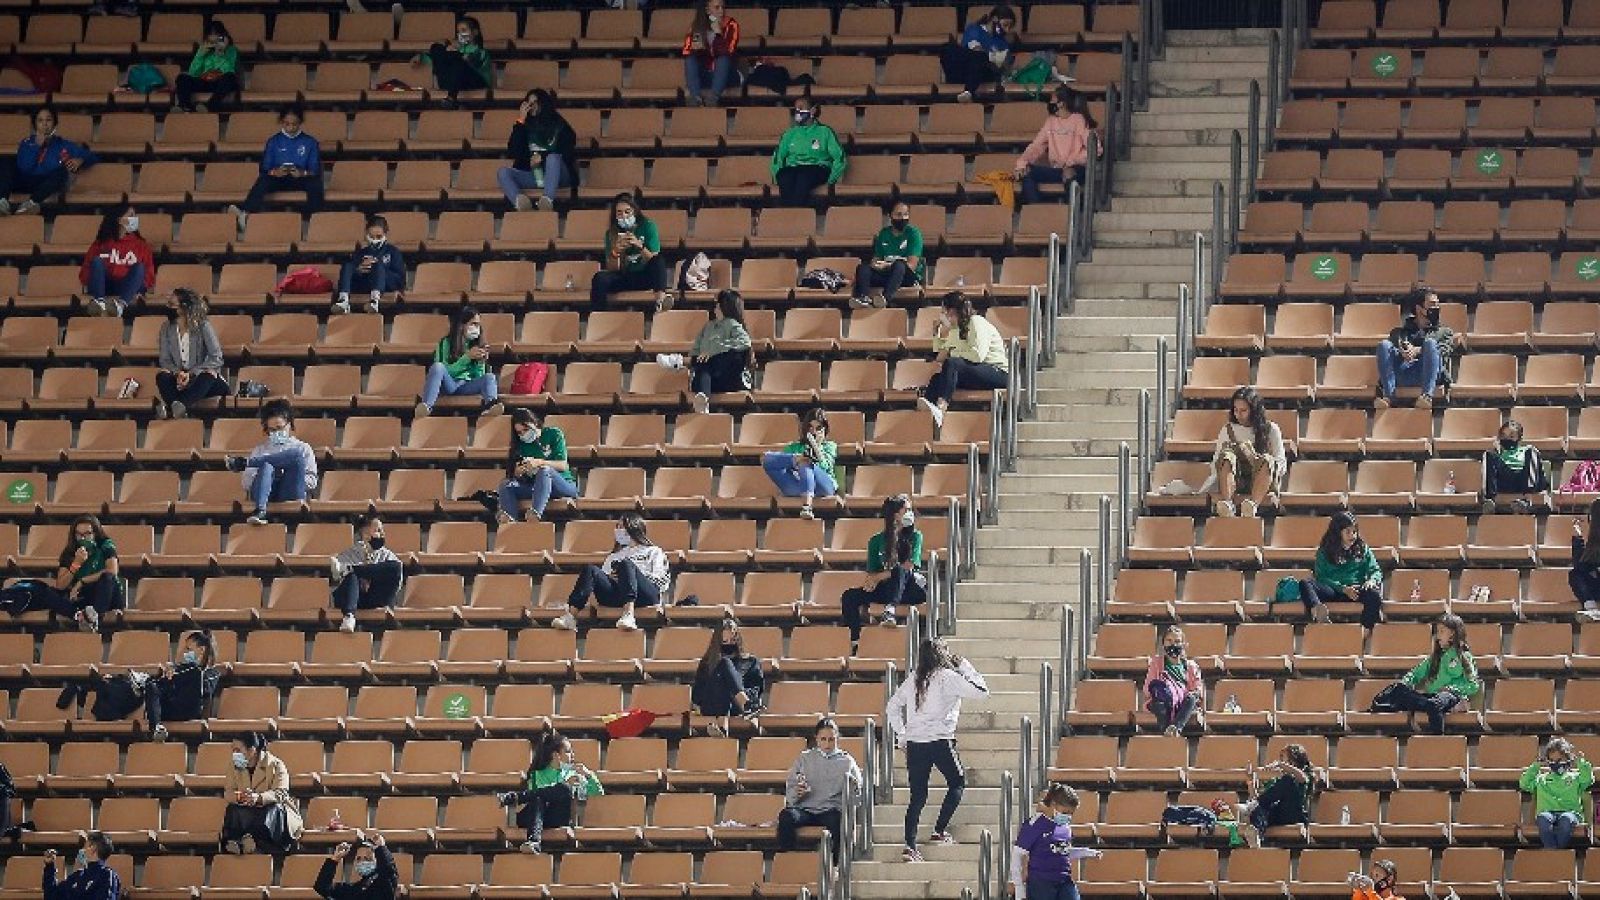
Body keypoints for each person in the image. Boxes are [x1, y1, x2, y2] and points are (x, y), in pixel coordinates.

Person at [887, 638, 988, 862]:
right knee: (957, 782)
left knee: (918, 796)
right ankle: (939, 830)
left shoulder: (914, 678)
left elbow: (892, 706)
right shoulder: (948, 677)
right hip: (941, 740)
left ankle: (910, 846)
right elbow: (981, 691)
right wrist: (965, 666)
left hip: (915, 743)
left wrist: (902, 735)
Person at [552, 513, 669, 633]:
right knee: (591, 569)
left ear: (633, 527)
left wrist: (632, 575)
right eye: (617, 527)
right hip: (618, 595)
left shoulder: (654, 551)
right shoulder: (614, 556)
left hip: (645, 596)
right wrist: (616, 578)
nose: (618, 530)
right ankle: (571, 616)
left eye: (621, 527)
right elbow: (605, 579)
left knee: (626, 564)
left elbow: (661, 581)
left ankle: (629, 614)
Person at [495, 726, 602, 854]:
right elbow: (539, 800)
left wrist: (589, 775)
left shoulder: (574, 774)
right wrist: (564, 785)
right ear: (556, 755)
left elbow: (598, 794)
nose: (573, 755)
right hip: (535, 817)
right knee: (540, 798)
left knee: (564, 789)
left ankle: (516, 797)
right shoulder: (537, 775)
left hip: (557, 818)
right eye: (568, 751)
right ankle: (533, 842)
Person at [1373, 613, 1480, 735]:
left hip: (1450, 696)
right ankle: (1432, 706)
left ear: (1453, 634)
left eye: (1441, 631)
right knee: (1398, 690)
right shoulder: (1434, 658)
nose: (1438, 636)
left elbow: (1473, 685)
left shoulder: (1464, 657)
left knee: (1434, 704)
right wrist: (1405, 682)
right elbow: (1416, 673)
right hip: (1430, 697)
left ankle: (1438, 737)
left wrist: (1452, 688)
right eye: (1437, 631)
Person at [840, 495, 927, 643]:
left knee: (900, 570)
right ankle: (855, 640)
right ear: (895, 515)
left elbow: (909, 566)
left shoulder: (915, 536)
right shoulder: (876, 541)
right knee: (849, 596)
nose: (910, 513)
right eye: (906, 510)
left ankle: (890, 610)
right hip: (886, 589)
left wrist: (879, 577)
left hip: (910, 589)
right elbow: (872, 572)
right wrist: (872, 581)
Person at [920, 292, 1009, 429]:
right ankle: (926, 417)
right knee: (937, 378)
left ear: (952, 311)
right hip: (976, 371)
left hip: (997, 372)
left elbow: (978, 355)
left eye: (944, 311)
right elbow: (940, 357)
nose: (943, 315)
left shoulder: (976, 322)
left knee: (953, 363)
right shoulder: (955, 330)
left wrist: (954, 353)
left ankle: (941, 407)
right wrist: (936, 334)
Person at [225, 399, 319, 526]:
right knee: (267, 466)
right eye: (272, 430)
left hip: (290, 490)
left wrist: (283, 475)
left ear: (289, 424)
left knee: (295, 455)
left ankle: (245, 462)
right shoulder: (260, 449)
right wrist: (270, 475)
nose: (277, 433)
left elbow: (312, 481)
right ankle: (260, 511)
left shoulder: (303, 448)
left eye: (280, 428)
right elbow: (246, 483)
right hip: (264, 492)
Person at [227, 106, 322, 232]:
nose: (291, 127)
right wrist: (275, 172)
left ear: (300, 123)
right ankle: (245, 213)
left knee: (315, 183)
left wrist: (302, 173)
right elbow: (264, 167)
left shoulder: (310, 142)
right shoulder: (273, 141)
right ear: (282, 122)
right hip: (279, 179)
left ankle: (316, 219)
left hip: (300, 179)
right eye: (287, 124)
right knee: (263, 180)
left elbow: (315, 169)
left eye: (295, 124)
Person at [657, 289, 752, 414]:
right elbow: (697, 350)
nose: (716, 306)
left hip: (732, 378)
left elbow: (745, 342)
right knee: (703, 366)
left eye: (719, 303)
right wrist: (698, 357)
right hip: (713, 380)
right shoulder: (708, 326)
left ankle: (679, 361)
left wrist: (715, 350)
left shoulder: (732, 324)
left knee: (729, 356)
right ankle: (702, 400)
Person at [779, 718, 861, 854]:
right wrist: (797, 793)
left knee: (838, 820)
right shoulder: (804, 758)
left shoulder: (847, 761)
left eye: (831, 739)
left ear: (837, 739)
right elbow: (791, 792)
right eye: (823, 739)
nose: (827, 744)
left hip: (831, 810)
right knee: (786, 816)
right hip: (805, 809)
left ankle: (836, 865)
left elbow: (858, 791)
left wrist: (846, 804)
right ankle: (790, 857)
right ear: (816, 739)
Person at [1008, 784, 1101, 900]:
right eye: (1065, 812)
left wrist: (1087, 852)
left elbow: (1062, 851)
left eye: (1071, 813)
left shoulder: (1065, 827)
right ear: (1053, 804)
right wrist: (1019, 888)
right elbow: (1017, 856)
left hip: (1064, 880)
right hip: (1041, 884)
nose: (1068, 816)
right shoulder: (1034, 825)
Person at [0, 106, 97, 216]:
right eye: (40, 120)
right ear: (34, 124)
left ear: (55, 124)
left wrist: (81, 160)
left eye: (49, 120)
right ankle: (2, 203)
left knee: (61, 171)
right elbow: (25, 167)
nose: (44, 124)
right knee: (5, 161)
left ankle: (30, 204)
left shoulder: (63, 144)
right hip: (23, 181)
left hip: (46, 185)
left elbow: (92, 156)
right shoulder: (27, 143)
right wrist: (37, 146)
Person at [1206, 386, 1285, 518]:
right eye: (1235, 410)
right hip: (1238, 480)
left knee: (1267, 459)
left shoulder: (1271, 429)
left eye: (1243, 410)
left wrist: (1255, 459)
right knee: (1226, 456)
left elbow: (1281, 462)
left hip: (1263, 480)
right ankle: (1228, 503)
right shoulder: (1228, 430)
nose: (1238, 415)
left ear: (1254, 411)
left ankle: (1252, 506)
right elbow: (1216, 461)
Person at [1297, 512, 1383, 632]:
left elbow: (1376, 571)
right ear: (1338, 533)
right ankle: (1318, 611)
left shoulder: (1362, 548)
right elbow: (1321, 577)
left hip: (1355, 591)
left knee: (1374, 595)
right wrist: (1342, 588)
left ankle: (1365, 630)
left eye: (1354, 532)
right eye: (1348, 532)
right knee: (1305, 583)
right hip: (1333, 590)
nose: (1352, 536)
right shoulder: (1324, 551)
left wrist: (1371, 580)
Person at [1375, 286, 1458, 410]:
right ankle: (1388, 397)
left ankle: (1427, 396)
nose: (1436, 308)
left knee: (1430, 343)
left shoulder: (1445, 332)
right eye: (1432, 304)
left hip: (1430, 373)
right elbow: (1390, 356)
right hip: (1405, 371)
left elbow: (1444, 351)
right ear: (1419, 309)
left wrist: (1418, 350)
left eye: (1437, 305)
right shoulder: (1398, 333)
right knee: (1384, 345)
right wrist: (1403, 351)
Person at [221, 732, 304, 853]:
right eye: (233, 750)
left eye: (237, 750)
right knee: (232, 809)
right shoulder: (234, 766)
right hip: (247, 807)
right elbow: (228, 792)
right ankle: (236, 843)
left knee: (271, 809)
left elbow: (281, 793)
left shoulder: (276, 764)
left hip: (275, 810)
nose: (234, 754)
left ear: (252, 750)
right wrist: (241, 797)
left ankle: (252, 842)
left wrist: (259, 798)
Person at [38, 515, 124, 633]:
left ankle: (93, 617)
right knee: (48, 592)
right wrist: (76, 563)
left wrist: (82, 581)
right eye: (79, 534)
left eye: (87, 534)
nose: (83, 538)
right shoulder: (69, 552)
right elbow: (61, 585)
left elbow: (112, 571)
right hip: (85, 597)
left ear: (95, 534)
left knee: (107, 578)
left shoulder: (106, 545)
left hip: (107, 595)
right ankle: (80, 615)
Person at [416, 305, 502, 418]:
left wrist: (481, 363)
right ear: (461, 325)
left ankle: (490, 407)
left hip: (467, 386)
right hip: (449, 384)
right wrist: (467, 358)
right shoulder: (445, 343)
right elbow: (445, 371)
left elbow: (478, 376)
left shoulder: (478, 345)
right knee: (437, 366)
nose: (477, 328)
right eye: (473, 324)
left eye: (478, 325)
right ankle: (426, 406)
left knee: (489, 377)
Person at [498, 88, 576, 212]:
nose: (531, 106)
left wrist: (543, 159)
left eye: (535, 102)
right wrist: (521, 120)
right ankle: (521, 203)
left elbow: (568, 151)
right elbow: (513, 150)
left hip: (558, 175)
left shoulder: (558, 124)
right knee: (503, 172)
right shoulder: (524, 126)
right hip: (535, 175)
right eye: (528, 103)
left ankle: (547, 201)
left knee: (552, 158)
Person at [1014, 87, 1094, 205]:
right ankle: (1038, 212)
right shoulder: (1050, 121)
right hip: (1056, 169)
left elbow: (1095, 149)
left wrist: (1072, 162)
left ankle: (1073, 216)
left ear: (1061, 103)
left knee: (1069, 175)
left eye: (1052, 100)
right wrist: (1022, 164)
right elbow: (1036, 146)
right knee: (1028, 172)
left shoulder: (1079, 120)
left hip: (1077, 169)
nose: (1050, 103)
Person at [497, 408, 578, 524]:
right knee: (506, 484)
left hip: (562, 485)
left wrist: (539, 462)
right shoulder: (520, 446)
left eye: (526, 429)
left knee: (545, 470)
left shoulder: (553, 434)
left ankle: (535, 514)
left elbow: (562, 465)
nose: (524, 435)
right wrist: (519, 472)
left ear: (534, 423)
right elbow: (515, 475)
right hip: (536, 487)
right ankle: (510, 520)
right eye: (519, 433)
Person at [156, 288, 227, 418]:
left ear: (184, 308)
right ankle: (177, 407)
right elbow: (164, 359)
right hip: (180, 379)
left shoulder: (203, 326)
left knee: (208, 374)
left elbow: (216, 358)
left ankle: (175, 408)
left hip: (203, 380)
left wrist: (192, 373)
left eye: (171, 305)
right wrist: (178, 373)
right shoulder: (166, 327)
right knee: (162, 375)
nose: (167, 307)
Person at [591, 192, 669, 311]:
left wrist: (639, 246)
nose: (624, 216)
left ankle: (661, 301)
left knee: (659, 260)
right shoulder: (611, 233)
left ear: (635, 212)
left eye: (627, 212)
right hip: (625, 276)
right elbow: (613, 269)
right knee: (599, 278)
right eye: (619, 213)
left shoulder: (648, 226)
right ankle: (599, 314)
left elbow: (654, 260)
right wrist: (616, 251)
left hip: (645, 275)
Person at [328, 515, 404, 634]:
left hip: (377, 598)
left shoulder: (388, 555)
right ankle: (349, 617)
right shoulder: (348, 554)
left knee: (396, 566)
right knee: (351, 576)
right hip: (353, 599)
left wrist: (367, 570)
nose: (382, 534)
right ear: (366, 535)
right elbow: (338, 580)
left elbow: (396, 583)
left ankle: (351, 569)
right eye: (378, 530)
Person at [691, 616, 766, 735]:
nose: (729, 645)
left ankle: (722, 729)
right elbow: (697, 695)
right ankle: (746, 706)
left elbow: (756, 690)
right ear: (717, 643)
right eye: (725, 642)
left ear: (738, 640)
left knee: (725, 665)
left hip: (737, 708)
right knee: (724, 663)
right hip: (712, 706)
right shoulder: (707, 664)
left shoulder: (750, 661)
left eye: (733, 641)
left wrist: (733, 694)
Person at [145, 630, 223, 742]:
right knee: (151, 685)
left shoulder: (212, 673)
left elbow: (205, 689)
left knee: (193, 671)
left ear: (201, 650)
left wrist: (178, 674)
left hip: (190, 710)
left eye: (189, 649)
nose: (185, 653)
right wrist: (168, 676)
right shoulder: (180, 668)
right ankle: (156, 729)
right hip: (172, 707)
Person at [761, 407, 838, 519]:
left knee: (805, 462)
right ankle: (798, 460)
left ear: (825, 429)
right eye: (810, 427)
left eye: (818, 428)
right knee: (768, 459)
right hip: (797, 484)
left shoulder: (830, 446)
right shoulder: (794, 447)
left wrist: (817, 447)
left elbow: (826, 466)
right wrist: (797, 458)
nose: (814, 432)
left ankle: (807, 506)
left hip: (823, 486)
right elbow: (778, 464)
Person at [78, 206, 155, 318]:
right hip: (104, 285)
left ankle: (119, 307)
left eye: (135, 215)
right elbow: (86, 271)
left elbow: (148, 273)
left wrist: (141, 289)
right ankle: (100, 304)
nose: (135, 218)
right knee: (97, 261)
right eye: (131, 215)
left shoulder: (141, 245)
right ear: (119, 220)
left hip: (127, 286)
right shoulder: (100, 244)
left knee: (139, 267)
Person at [770, 96, 847, 207]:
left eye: (801, 108)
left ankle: (796, 215)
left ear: (813, 110)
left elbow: (839, 158)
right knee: (784, 176)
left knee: (803, 178)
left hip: (817, 168)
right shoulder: (790, 133)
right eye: (796, 109)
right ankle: (790, 214)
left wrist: (831, 180)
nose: (797, 112)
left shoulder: (825, 131)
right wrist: (777, 176)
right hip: (793, 168)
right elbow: (777, 158)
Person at [1519, 738, 1593, 848]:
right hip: (1547, 812)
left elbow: (1588, 779)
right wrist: (1535, 766)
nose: (1556, 764)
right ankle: (1555, 851)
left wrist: (1581, 762)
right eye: (1552, 760)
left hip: (1571, 813)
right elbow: (1524, 784)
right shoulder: (1541, 779)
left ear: (1568, 758)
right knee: (1543, 819)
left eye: (1559, 760)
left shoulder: (1575, 777)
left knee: (1566, 820)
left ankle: (1555, 852)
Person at [1238, 744, 1319, 845]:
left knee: (1287, 781)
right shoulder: (1277, 780)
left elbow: (1302, 778)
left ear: (1293, 759)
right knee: (1258, 808)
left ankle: (1254, 809)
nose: (1281, 760)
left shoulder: (1306, 773)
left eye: (1283, 758)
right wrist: (1250, 781)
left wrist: (1280, 765)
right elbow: (1263, 801)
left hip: (1294, 814)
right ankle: (1256, 835)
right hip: (1279, 815)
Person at [849, 202, 924, 309]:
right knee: (863, 268)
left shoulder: (913, 233)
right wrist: (875, 265)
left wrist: (887, 265)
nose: (903, 218)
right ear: (890, 216)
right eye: (898, 215)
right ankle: (863, 298)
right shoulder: (883, 233)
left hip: (907, 277)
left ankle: (885, 299)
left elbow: (911, 265)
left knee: (899, 265)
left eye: (906, 214)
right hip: (887, 274)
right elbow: (876, 259)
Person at [940, 5, 1017, 102]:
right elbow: (976, 49)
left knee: (980, 57)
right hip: (963, 70)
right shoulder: (974, 29)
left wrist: (994, 58)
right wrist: (992, 56)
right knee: (948, 48)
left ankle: (968, 93)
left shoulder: (1002, 42)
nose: (1007, 30)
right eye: (1005, 25)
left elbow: (1004, 63)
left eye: (1010, 27)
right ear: (994, 19)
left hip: (985, 74)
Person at [333, 216, 405, 315]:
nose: (375, 240)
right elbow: (351, 275)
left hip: (386, 285)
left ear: (385, 233)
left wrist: (378, 267)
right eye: (371, 236)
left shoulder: (393, 252)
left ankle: (374, 301)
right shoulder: (360, 253)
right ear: (366, 234)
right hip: (366, 284)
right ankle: (343, 301)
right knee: (348, 265)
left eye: (379, 236)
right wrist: (358, 270)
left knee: (377, 264)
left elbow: (399, 279)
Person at [413, 16, 490, 107]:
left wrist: (456, 53)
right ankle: (447, 90)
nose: (460, 34)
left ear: (475, 32)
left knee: (458, 62)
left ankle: (451, 97)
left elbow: (473, 62)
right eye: (458, 32)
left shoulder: (481, 51)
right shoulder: (456, 49)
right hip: (452, 81)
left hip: (475, 83)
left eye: (464, 30)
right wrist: (420, 56)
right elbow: (435, 58)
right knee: (436, 47)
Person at [1143, 626, 1203, 736]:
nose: (1173, 645)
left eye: (1177, 641)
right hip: (1162, 701)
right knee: (1159, 703)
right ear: (1163, 643)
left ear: (1183, 645)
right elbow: (1147, 689)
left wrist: (1186, 693)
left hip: (1182, 702)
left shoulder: (1191, 666)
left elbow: (1198, 690)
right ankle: (1167, 731)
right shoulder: (1156, 663)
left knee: (1191, 699)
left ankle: (1176, 728)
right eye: (1169, 641)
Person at [1480, 419, 1548, 513]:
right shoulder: (1496, 454)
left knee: (1532, 450)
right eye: (1504, 436)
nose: (1507, 439)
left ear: (1519, 438)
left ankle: (1526, 501)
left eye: (1511, 436)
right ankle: (1489, 501)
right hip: (1505, 481)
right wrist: (1497, 450)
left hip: (1523, 480)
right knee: (1488, 454)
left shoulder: (1527, 450)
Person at [682, 0, 740, 106]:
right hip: (706, 75)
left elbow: (729, 52)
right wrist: (696, 47)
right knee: (690, 59)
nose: (721, 11)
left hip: (727, 76)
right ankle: (695, 98)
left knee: (723, 59)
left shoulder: (731, 24)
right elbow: (689, 51)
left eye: (723, 7)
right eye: (717, 7)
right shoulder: (698, 25)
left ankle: (713, 98)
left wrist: (718, 34)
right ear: (707, 10)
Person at [174, 22, 241, 111]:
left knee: (230, 77)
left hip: (221, 82)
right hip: (205, 80)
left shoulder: (232, 50)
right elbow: (193, 72)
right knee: (182, 77)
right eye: (211, 34)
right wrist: (200, 55)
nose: (214, 38)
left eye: (217, 34)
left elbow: (228, 70)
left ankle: (210, 106)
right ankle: (184, 105)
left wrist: (219, 53)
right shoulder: (203, 50)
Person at [314, 831, 396, 900]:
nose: (362, 862)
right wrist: (335, 859)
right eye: (359, 859)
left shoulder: (384, 884)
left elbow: (389, 871)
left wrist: (381, 848)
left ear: (377, 861)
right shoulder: (353, 890)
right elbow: (322, 888)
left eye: (368, 859)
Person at [42, 833, 119, 900]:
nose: (82, 850)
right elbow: (52, 896)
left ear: (93, 848)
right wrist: (49, 867)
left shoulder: (107, 875)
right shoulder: (77, 876)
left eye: (84, 846)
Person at [1569, 498, 1600, 616]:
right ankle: (1591, 608)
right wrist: (1578, 538)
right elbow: (1579, 566)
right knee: (1574, 574)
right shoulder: (1594, 541)